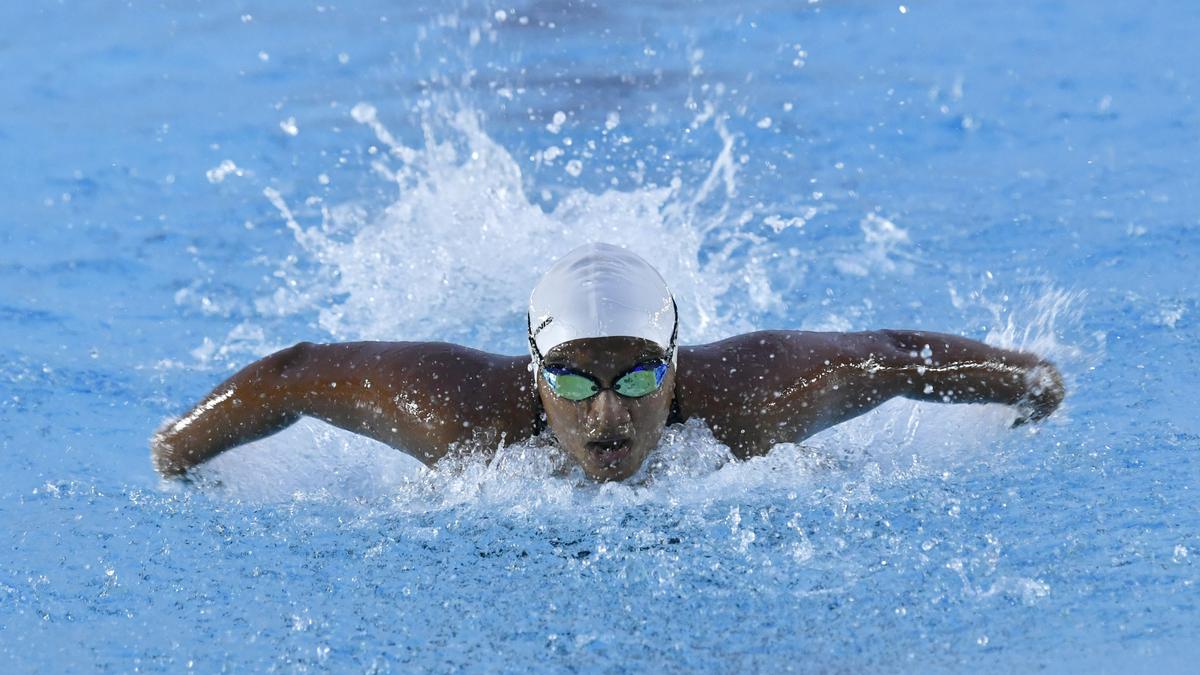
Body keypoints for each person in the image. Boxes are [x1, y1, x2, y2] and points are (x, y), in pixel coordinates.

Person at [152, 243, 1065, 482]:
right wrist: (176, 452)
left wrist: (1032, 383)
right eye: (574, 382)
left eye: (635, 378)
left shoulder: (755, 398)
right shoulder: (462, 414)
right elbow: (295, 374)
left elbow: (894, 356)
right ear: (534, 369)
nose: (607, 417)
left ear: (675, 363)